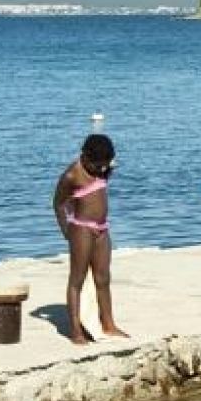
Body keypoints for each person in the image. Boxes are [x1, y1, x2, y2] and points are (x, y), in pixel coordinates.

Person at [52, 134, 128, 345]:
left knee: (103, 279)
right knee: (77, 279)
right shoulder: (71, 176)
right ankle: (75, 330)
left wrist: (106, 167)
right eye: (97, 165)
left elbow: (104, 171)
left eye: (105, 165)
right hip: (82, 229)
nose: (101, 170)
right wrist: (66, 231)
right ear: (84, 157)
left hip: (102, 229)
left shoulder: (103, 169)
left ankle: (108, 324)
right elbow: (58, 204)